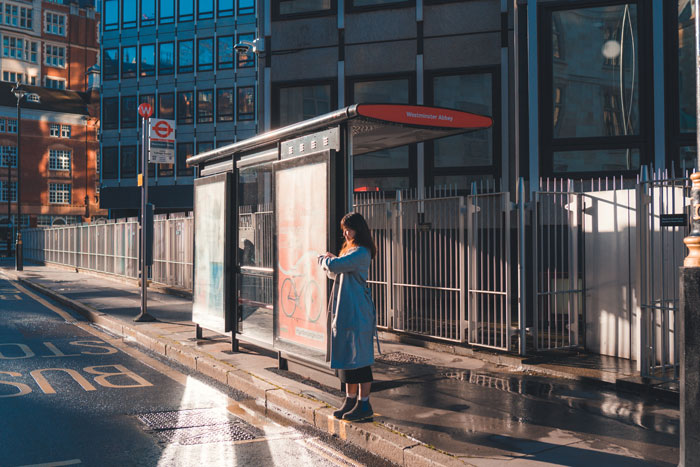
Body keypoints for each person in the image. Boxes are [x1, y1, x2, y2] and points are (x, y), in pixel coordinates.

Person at [319, 212, 378, 422]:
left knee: (360, 359)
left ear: (358, 230)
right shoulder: (350, 251)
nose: (345, 233)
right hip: (346, 310)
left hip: (357, 311)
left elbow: (334, 267)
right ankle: (350, 400)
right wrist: (330, 262)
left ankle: (364, 403)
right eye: (344, 229)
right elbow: (335, 272)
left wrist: (325, 259)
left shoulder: (362, 251)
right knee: (346, 357)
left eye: (349, 229)